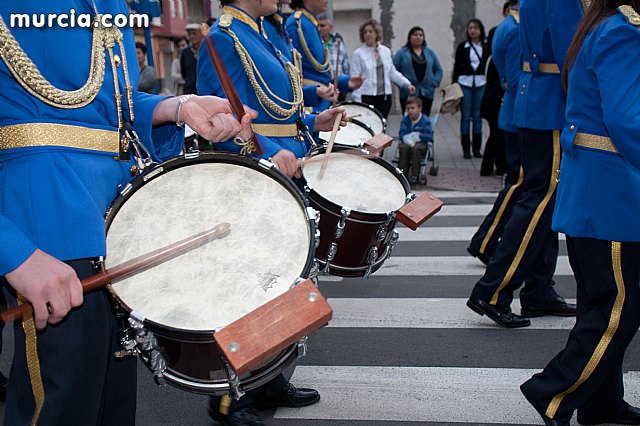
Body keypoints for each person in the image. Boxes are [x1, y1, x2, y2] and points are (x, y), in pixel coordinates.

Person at [0, 1, 255, 424]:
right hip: (45, 221)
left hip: (116, 219)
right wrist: (13, 251)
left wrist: (178, 108)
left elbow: (103, 107)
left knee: (110, 404)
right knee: (63, 408)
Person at [197, 2, 347, 424]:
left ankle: (271, 378)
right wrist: (265, 151)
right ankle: (230, 397)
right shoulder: (222, 38)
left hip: (289, 172)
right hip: (256, 177)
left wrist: (317, 121)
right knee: (251, 289)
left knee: (285, 284)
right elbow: (219, 119)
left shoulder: (266, 34)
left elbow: (284, 112)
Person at [520, 2, 640, 425]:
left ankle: (600, 402)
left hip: (598, 192)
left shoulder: (603, 26)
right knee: (619, 309)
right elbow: (628, 121)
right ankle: (551, 391)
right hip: (612, 196)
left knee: (600, 307)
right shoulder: (623, 31)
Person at [466, 0, 581, 329]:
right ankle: (493, 290)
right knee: (539, 200)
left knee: (543, 204)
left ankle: (539, 289)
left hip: (539, 99)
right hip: (553, 103)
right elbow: (569, 52)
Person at [467, 0, 522, 265]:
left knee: (518, 187)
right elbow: (514, 79)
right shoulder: (514, 28)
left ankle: (487, 241)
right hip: (519, 115)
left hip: (516, 114)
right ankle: (485, 241)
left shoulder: (508, 25)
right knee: (518, 185)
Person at [286, 0, 364, 112]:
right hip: (310, 104)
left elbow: (319, 73)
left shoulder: (309, 23)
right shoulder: (297, 24)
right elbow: (292, 70)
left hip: (321, 100)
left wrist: (345, 82)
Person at [262, 1, 339, 108]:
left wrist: (346, 82)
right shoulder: (296, 23)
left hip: (314, 98)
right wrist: (312, 93)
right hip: (298, 104)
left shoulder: (284, 22)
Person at [350, 19, 415, 119]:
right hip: (366, 95)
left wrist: (407, 83)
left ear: (376, 33)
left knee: (382, 124)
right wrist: (357, 99)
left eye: (370, 31)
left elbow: (392, 72)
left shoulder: (385, 51)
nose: (368, 34)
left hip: (384, 96)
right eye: (365, 32)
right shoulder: (358, 54)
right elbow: (355, 77)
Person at [479, 2, 510, 176]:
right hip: (494, 101)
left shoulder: (491, 58)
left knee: (494, 135)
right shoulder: (494, 60)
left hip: (491, 100)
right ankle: (495, 166)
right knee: (496, 136)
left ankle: (489, 166)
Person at [453, 18, 488, 159]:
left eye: (476, 28)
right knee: (466, 116)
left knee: (478, 116)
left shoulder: (486, 47)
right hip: (465, 82)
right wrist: (454, 84)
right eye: (470, 28)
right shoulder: (463, 47)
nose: (473, 30)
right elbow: (457, 67)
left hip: (481, 82)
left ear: (480, 30)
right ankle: (466, 149)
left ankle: (477, 149)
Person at [393, 26, 443, 115]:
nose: (418, 37)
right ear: (409, 37)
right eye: (415, 34)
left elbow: (438, 70)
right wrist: (402, 85)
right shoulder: (402, 53)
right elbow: (393, 71)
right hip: (408, 93)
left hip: (427, 91)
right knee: (409, 120)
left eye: (420, 35)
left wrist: (434, 83)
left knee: (425, 119)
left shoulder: (429, 53)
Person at [398, 96, 433, 185]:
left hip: (421, 143)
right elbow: (402, 134)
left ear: (420, 108)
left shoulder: (425, 120)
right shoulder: (405, 120)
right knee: (403, 148)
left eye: (413, 108)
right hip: (407, 142)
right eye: (408, 109)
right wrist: (408, 138)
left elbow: (428, 135)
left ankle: (415, 174)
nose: (410, 111)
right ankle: (402, 173)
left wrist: (418, 137)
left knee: (416, 149)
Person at [181, 22, 204, 95]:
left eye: (194, 33)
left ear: (201, 34)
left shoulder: (207, 51)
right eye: (189, 34)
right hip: (189, 92)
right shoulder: (185, 52)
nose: (191, 36)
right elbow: (183, 73)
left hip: (206, 92)